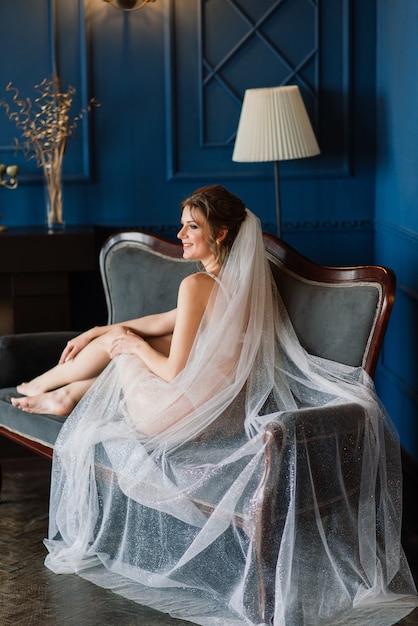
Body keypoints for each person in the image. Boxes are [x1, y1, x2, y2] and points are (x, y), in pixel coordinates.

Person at [22, 185, 418, 625]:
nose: (181, 234)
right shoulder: (245, 281)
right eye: (184, 224)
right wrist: (99, 328)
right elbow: (162, 322)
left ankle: (48, 390)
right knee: (134, 339)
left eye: (193, 227)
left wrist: (126, 344)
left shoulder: (196, 285)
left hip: (173, 415)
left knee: (123, 354)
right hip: (219, 414)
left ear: (222, 233)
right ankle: (53, 389)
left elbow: (172, 373)